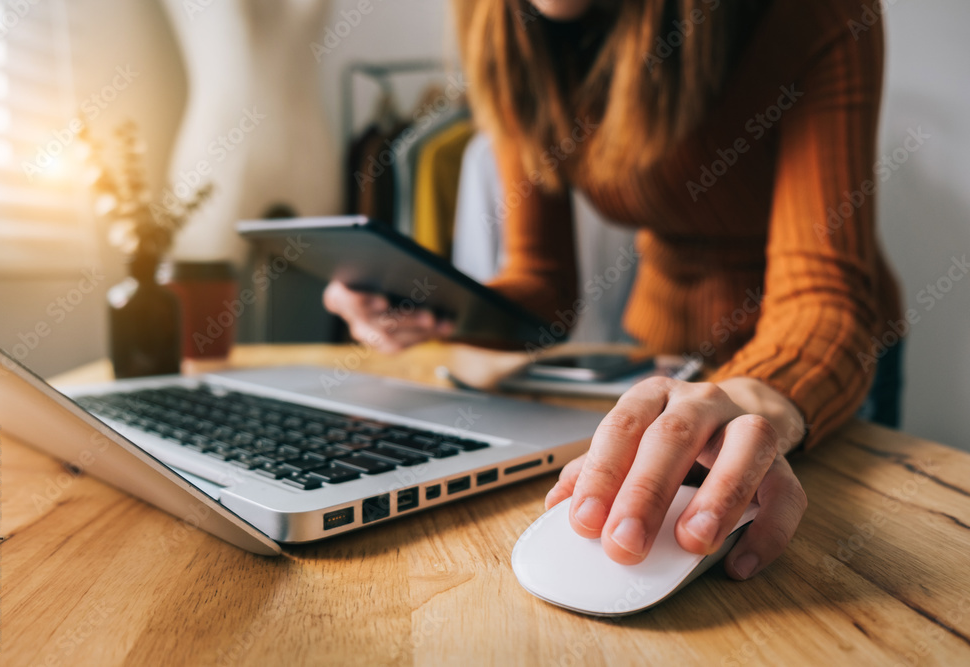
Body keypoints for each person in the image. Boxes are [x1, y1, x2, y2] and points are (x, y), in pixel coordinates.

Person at [324, 0, 902, 581]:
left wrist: (757, 401)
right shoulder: (510, 33)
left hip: (815, 361)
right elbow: (543, 285)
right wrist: (430, 302)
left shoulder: (811, 14)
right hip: (661, 356)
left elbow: (822, 293)